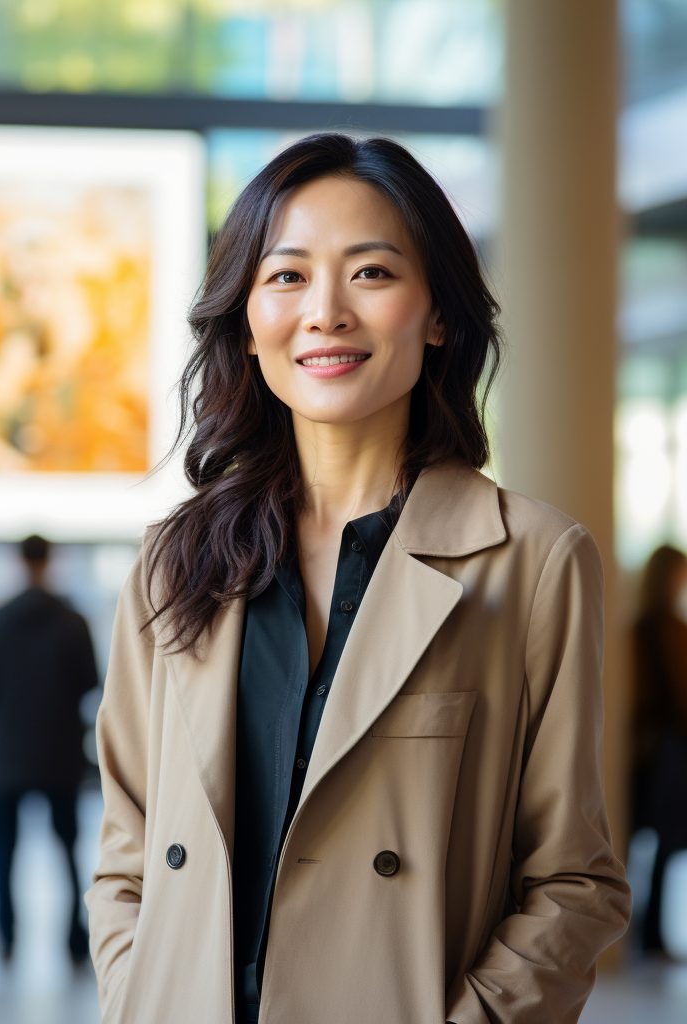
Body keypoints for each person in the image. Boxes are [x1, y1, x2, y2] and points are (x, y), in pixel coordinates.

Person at [87, 134, 631, 1024]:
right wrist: (139, 995)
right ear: (247, 316)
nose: (326, 312)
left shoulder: (532, 561)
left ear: (439, 314)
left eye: (371, 274)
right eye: (288, 275)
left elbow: (573, 879)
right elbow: (128, 855)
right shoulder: (173, 562)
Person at [0, 535, 98, 964]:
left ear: (17, 560)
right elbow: (89, 682)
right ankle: (75, 938)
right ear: (50, 560)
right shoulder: (72, 621)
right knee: (67, 850)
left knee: (4, 849)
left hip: (7, 755)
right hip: (59, 752)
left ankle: (6, 936)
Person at [632, 544, 687, 953]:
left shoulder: (676, 630)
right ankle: (639, 934)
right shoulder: (641, 631)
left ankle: (650, 935)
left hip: (671, 750)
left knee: (667, 844)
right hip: (651, 754)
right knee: (640, 840)